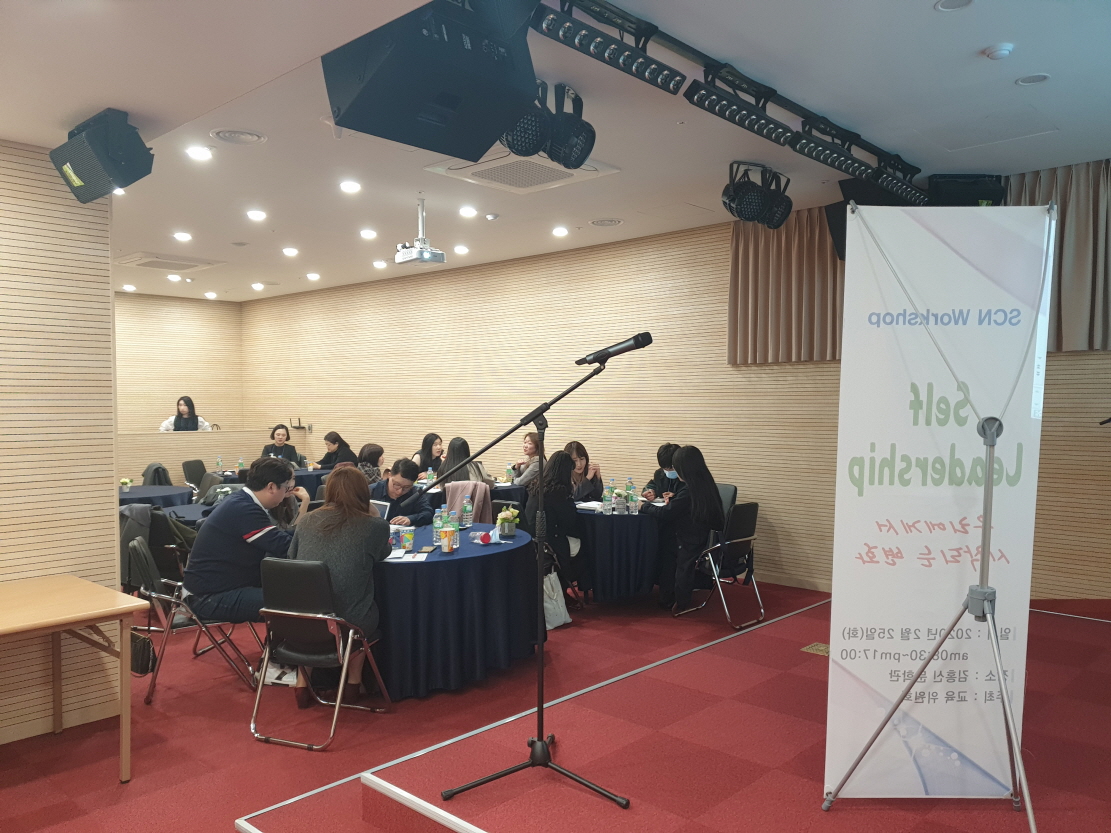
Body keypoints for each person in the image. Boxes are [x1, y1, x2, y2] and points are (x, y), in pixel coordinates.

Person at [289, 466, 391, 707]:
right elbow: (382, 553)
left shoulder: (307, 520)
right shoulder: (373, 526)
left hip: (302, 619)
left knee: (319, 607)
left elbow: (292, 558)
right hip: (348, 622)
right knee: (359, 611)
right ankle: (353, 683)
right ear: (364, 493)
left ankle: (302, 684)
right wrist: (374, 514)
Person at [182, 458, 311, 622]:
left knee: (294, 590)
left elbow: (280, 538)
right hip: (208, 597)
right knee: (299, 601)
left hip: (219, 587)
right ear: (271, 487)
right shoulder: (244, 509)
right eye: (287, 488)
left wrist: (309, 533)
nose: (287, 493)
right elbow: (285, 546)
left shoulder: (241, 500)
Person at [640, 445, 724, 614]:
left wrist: (644, 506)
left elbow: (666, 513)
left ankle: (671, 597)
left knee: (665, 546)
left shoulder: (689, 489)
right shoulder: (704, 482)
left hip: (692, 540)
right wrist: (675, 500)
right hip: (707, 537)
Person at [523, 450, 584, 594]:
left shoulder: (535, 487)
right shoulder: (559, 491)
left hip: (533, 541)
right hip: (551, 543)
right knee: (586, 544)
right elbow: (569, 522)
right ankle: (578, 584)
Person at [369, 459, 433, 526]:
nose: (399, 492)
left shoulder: (415, 493)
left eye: (406, 487)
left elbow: (428, 513)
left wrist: (410, 519)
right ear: (389, 475)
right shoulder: (372, 490)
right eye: (396, 485)